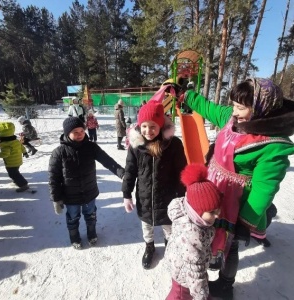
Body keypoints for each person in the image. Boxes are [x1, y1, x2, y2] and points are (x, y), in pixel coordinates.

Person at [183, 77, 294, 299]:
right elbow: (210, 108)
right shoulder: (231, 120)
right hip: (215, 189)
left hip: (236, 203)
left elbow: (264, 188)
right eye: (233, 105)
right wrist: (187, 96)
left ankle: (226, 284)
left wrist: (245, 221)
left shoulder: (272, 145)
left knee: (230, 245)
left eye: (241, 107)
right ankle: (214, 256)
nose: (234, 111)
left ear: (261, 108)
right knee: (209, 230)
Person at [122, 101, 187, 269]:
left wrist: (183, 197)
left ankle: (170, 247)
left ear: (160, 125)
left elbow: (182, 172)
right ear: (139, 125)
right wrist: (126, 194)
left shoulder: (173, 144)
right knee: (147, 225)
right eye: (144, 126)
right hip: (144, 196)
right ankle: (149, 247)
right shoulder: (136, 145)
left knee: (168, 225)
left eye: (153, 126)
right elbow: (130, 170)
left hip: (167, 196)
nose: (148, 131)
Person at [48, 117, 125, 249]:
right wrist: (56, 198)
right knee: (73, 218)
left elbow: (108, 161)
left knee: (91, 215)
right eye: (75, 132)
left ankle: (91, 233)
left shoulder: (91, 147)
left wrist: (122, 173)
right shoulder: (59, 152)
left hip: (89, 192)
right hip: (70, 196)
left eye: (82, 131)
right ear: (67, 133)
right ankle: (74, 237)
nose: (80, 134)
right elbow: (53, 178)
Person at [165, 163, 222, 300]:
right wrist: (201, 297)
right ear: (198, 211)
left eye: (218, 209)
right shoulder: (192, 237)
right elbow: (196, 274)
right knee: (179, 295)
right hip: (184, 276)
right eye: (212, 212)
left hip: (184, 265)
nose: (218, 215)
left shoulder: (190, 213)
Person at [0, 121, 29, 192]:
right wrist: (25, 153)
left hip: (11, 163)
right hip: (18, 161)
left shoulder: (5, 143)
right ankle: (17, 181)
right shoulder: (15, 140)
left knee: (13, 174)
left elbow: (5, 154)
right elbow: (21, 147)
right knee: (16, 172)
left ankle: (23, 185)